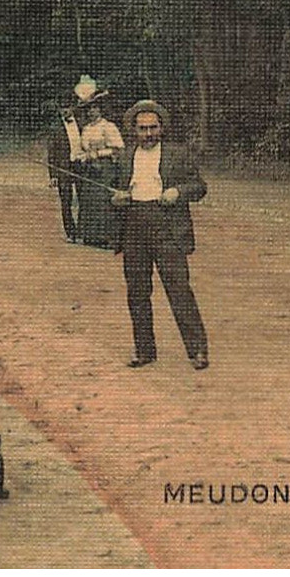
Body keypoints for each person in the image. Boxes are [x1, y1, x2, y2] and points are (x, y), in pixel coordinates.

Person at [109, 100, 209, 370]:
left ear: (162, 128)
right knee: (137, 293)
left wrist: (178, 192)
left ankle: (197, 351)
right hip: (134, 229)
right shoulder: (125, 157)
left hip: (168, 230)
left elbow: (199, 186)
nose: (148, 134)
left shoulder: (178, 154)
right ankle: (144, 350)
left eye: (153, 127)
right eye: (143, 129)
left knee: (179, 291)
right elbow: (114, 191)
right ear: (134, 130)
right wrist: (117, 198)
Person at [71, 76, 124, 248]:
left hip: (105, 169)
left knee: (104, 200)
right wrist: (83, 157)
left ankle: (108, 238)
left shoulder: (108, 127)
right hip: (90, 170)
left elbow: (117, 149)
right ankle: (90, 236)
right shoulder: (86, 129)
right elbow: (82, 149)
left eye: (94, 108)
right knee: (89, 200)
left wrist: (99, 154)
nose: (91, 112)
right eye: (89, 109)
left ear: (100, 109)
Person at [46, 91, 85, 244]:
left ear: (73, 107)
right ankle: (70, 232)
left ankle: (82, 231)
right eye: (62, 108)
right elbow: (51, 153)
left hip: (80, 166)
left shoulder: (82, 124)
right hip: (63, 168)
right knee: (66, 201)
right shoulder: (55, 128)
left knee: (84, 199)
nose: (65, 110)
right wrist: (53, 175)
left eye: (67, 107)